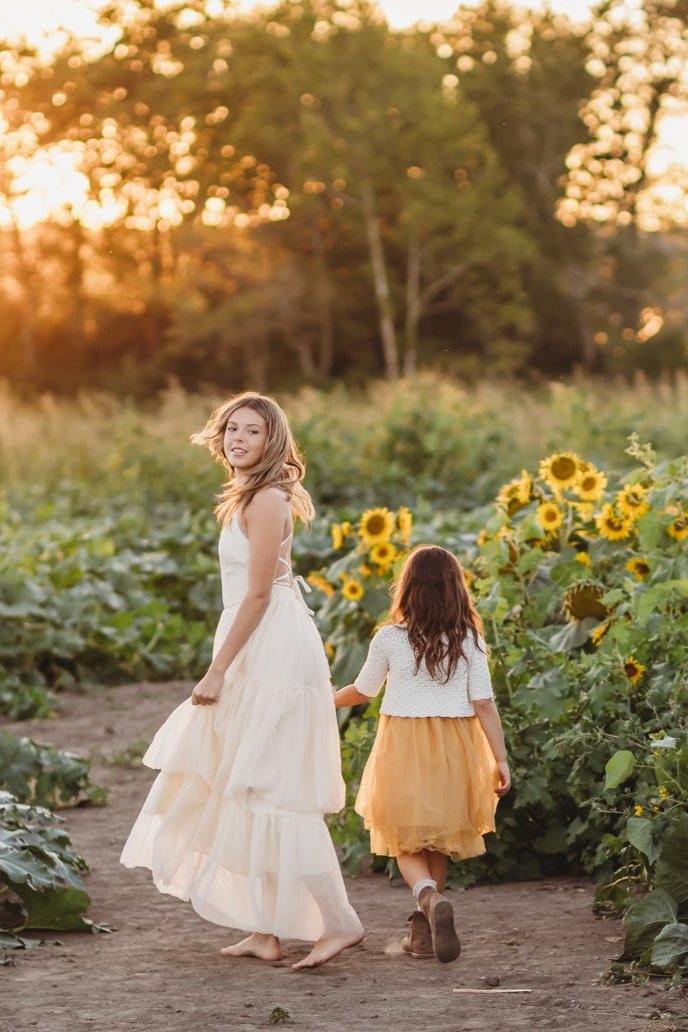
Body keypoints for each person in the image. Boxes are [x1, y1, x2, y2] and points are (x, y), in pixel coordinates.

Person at [120, 391, 363, 970]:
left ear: (271, 440)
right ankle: (265, 928)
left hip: (270, 649)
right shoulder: (247, 497)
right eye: (232, 428)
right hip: (255, 639)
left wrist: (217, 669)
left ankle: (340, 922)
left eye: (252, 431)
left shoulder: (269, 499)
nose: (238, 438)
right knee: (244, 778)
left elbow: (258, 593)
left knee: (271, 785)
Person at [333, 545, 510, 963]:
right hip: (456, 746)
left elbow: (363, 691)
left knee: (404, 837)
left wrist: (323, 701)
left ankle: (427, 898)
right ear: (455, 590)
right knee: (436, 842)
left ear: (407, 589)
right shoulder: (469, 639)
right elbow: (484, 703)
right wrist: (500, 758)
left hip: (404, 744)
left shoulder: (390, 639)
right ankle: (425, 933)